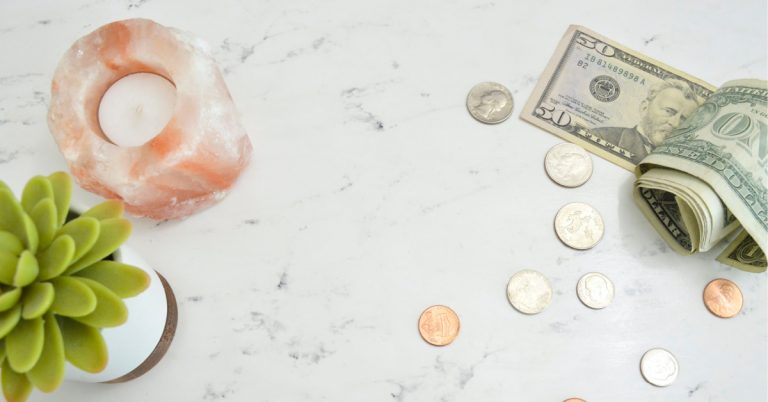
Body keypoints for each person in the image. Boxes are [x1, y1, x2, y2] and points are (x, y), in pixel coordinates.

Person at [591, 78, 702, 164]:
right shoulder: (601, 136)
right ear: (644, 108)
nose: (675, 123)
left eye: (684, 119)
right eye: (669, 111)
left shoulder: (682, 163)